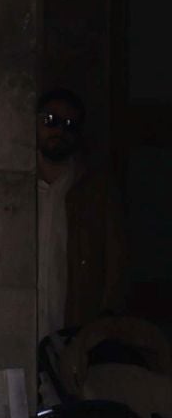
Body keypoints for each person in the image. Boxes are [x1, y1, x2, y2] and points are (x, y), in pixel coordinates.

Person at [36, 88, 125, 343]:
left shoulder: (94, 190)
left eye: (69, 125)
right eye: (50, 121)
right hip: (20, 322)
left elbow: (115, 258)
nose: (59, 132)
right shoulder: (14, 187)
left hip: (72, 327)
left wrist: (106, 317)